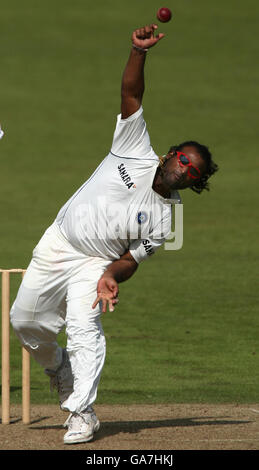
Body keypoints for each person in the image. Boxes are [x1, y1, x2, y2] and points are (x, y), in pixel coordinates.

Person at [10, 24, 218, 445]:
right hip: (59, 242)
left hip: (95, 264)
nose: (183, 168)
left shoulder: (166, 221)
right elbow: (131, 96)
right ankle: (59, 368)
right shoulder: (134, 147)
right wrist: (138, 52)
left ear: (193, 183)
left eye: (192, 170)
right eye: (181, 158)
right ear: (169, 154)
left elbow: (131, 260)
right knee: (25, 322)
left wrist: (111, 277)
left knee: (86, 328)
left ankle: (82, 412)